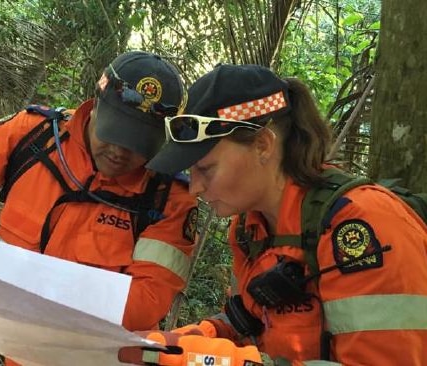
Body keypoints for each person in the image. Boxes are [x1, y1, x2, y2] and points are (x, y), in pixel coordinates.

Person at [0, 51, 199, 365]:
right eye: (114, 131)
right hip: (21, 354)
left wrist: (33, 292)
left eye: (137, 142)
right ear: (95, 103)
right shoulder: (33, 137)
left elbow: (147, 302)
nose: (119, 150)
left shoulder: (168, 198)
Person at [118, 64, 427, 365]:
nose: (194, 187)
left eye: (206, 169)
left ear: (263, 145)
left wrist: (224, 362)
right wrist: (194, 338)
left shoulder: (362, 224)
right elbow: (250, 320)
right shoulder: (249, 229)